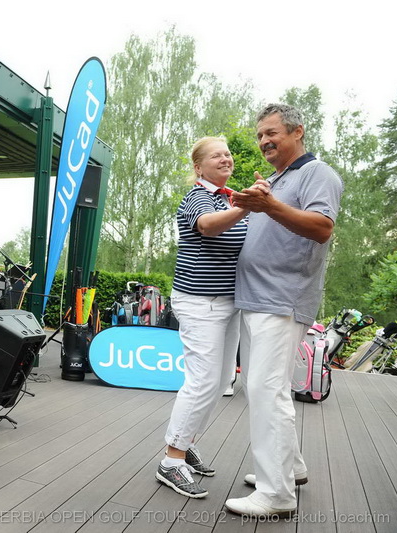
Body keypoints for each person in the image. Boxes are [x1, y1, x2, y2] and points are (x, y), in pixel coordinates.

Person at [224, 103, 343, 518]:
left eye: (271, 133)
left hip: (281, 298)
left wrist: (268, 206)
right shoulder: (277, 178)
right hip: (258, 298)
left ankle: (276, 494)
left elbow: (322, 228)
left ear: (297, 132)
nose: (264, 141)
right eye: (260, 135)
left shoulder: (317, 173)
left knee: (265, 389)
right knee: (266, 387)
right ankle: (290, 469)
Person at [155, 137, 249, 499]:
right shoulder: (199, 196)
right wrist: (246, 207)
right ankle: (171, 459)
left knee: (222, 378)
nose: (225, 158)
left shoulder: (228, 198)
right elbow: (208, 226)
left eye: (227, 154)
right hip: (200, 302)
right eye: (216, 155)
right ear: (199, 167)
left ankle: (187, 440)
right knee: (203, 380)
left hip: (227, 302)